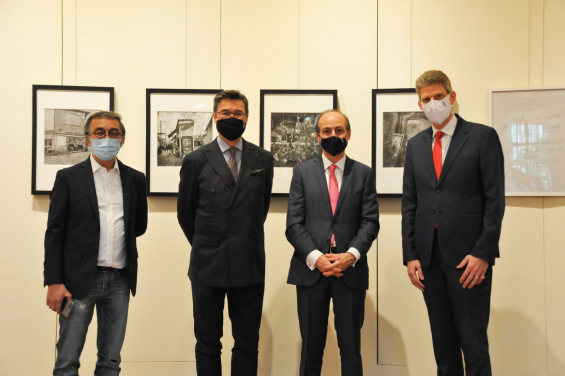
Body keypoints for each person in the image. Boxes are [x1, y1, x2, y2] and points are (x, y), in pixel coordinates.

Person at [401, 70, 505, 375]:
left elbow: (494, 201)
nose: (433, 103)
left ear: (452, 97)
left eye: (438, 97)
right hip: (428, 261)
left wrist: (484, 253)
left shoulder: (483, 137)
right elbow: (411, 204)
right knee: (442, 346)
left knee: (473, 345)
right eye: (426, 99)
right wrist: (410, 255)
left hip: (469, 260)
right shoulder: (416, 145)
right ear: (419, 105)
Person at [177, 90, 274, 376]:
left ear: (246, 117)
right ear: (214, 116)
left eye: (238, 114)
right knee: (207, 343)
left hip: (249, 263)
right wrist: (208, 244)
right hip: (207, 264)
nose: (232, 118)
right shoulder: (195, 160)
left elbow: (262, 209)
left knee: (247, 342)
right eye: (226, 113)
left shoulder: (263, 158)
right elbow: (186, 213)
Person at [44, 111, 148, 375]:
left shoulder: (135, 179)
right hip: (77, 282)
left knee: (111, 361)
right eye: (99, 132)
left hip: (119, 281)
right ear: (88, 138)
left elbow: (139, 226)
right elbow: (55, 232)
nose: (107, 137)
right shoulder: (68, 178)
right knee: (67, 359)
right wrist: (54, 282)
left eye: (114, 133)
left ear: (122, 139)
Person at [286, 109, 380, 376]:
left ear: (348, 134)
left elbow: (370, 222)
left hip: (349, 271)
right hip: (311, 271)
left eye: (339, 131)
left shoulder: (364, 174)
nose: (333, 136)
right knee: (311, 350)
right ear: (317, 136)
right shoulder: (301, 173)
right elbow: (294, 225)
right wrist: (318, 258)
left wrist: (350, 255)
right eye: (326, 132)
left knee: (351, 350)